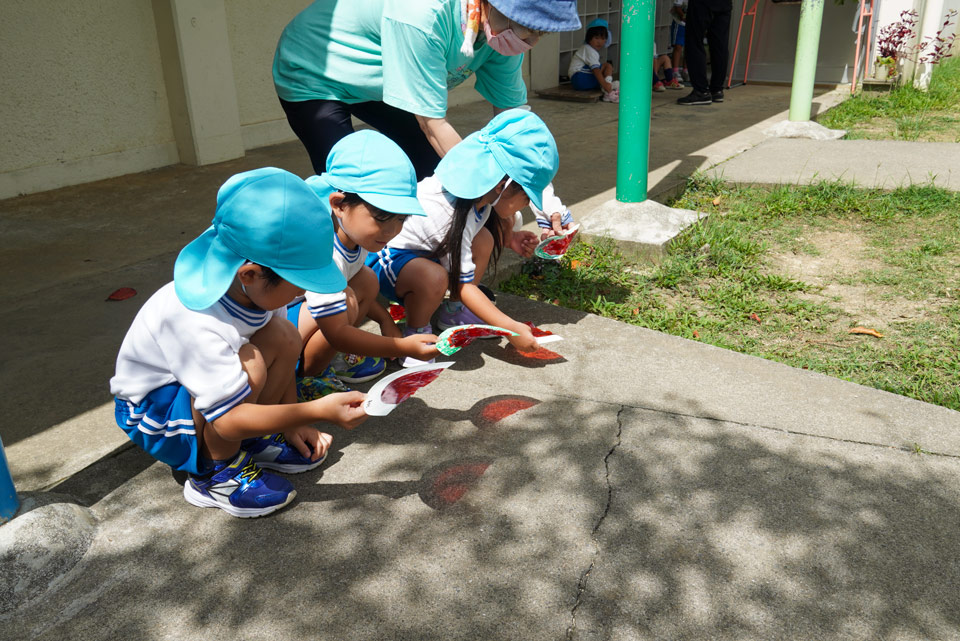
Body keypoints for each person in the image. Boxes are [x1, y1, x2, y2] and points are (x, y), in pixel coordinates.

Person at [110, 168, 368, 518]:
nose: (304, 291)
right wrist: (317, 410)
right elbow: (228, 418)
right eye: (298, 281)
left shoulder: (255, 292)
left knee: (284, 335)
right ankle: (215, 473)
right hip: (156, 415)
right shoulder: (195, 318)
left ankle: (254, 440)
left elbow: (282, 347)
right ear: (249, 273)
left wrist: (289, 423)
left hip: (202, 396)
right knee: (250, 359)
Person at [273, 0, 580, 180]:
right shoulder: (425, 15)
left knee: (430, 167)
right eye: (530, 27)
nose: (532, 41)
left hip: (380, 80)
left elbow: (513, 119)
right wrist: (485, 189)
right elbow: (432, 124)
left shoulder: (502, 36)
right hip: (314, 70)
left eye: (542, 32)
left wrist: (538, 189)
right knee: (352, 182)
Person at [368, 109, 558, 367]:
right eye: (526, 196)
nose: (525, 205)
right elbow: (463, 286)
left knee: (484, 240)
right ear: (503, 184)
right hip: (387, 264)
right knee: (434, 277)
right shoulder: (447, 213)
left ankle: (454, 313)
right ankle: (416, 335)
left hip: (422, 257)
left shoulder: (479, 195)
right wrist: (510, 329)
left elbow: (475, 236)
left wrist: (509, 238)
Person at [290, 130, 441, 397]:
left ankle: (328, 359)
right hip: (275, 331)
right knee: (345, 298)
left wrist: (385, 321)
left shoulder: (352, 233)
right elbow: (336, 331)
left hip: (299, 318)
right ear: (339, 204)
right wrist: (402, 347)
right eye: (383, 217)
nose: (392, 230)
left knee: (365, 279)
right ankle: (307, 376)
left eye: (401, 219)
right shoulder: (325, 251)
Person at [677, 0, 732, 105]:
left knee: (694, 42)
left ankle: (701, 91)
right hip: (725, 4)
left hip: (702, 3)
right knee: (720, 44)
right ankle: (717, 90)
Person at [568, 19, 618, 102]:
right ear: (589, 38)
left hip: (579, 81)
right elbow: (595, 70)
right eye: (596, 38)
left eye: (603, 38)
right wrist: (605, 84)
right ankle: (608, 89)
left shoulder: (589, 49)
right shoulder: (588, 49)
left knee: (604, 68)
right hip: (579, 78)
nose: (599, 42)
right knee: (607, 66)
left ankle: (607, 86)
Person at [669, 0, 688, 88]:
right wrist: (683, 16)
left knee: (689, 47)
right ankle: (675, 71)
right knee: (678, 46)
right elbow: (677, 7)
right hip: (679, 23)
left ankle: (685, 70)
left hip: (691, 23)